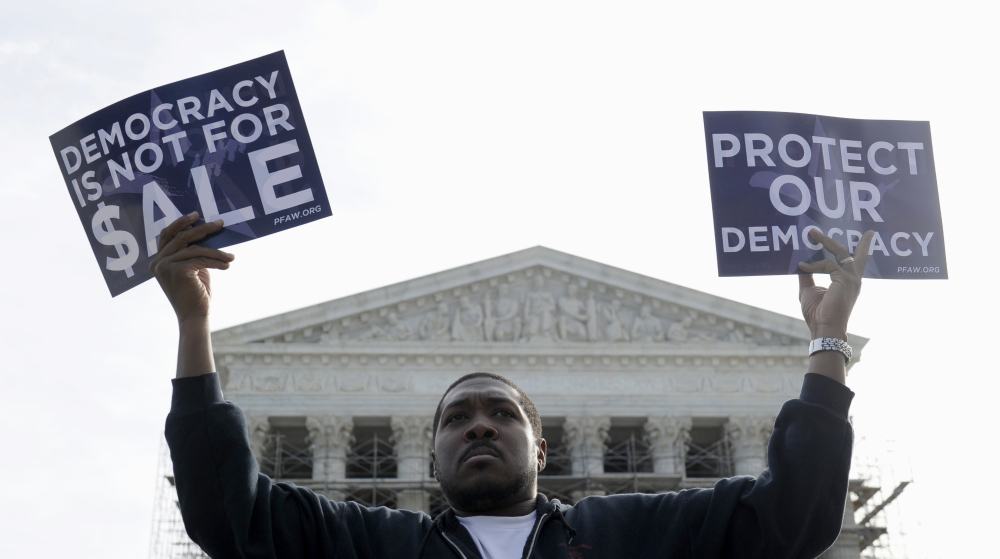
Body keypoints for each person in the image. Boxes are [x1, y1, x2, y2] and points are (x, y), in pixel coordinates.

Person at [153, 211, 872, 559]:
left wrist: (826, 341)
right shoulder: (379, 543)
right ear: (431, 454)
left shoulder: (623, 533)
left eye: (502, 411)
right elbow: (229, 514)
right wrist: (194, 323)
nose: (480, 424)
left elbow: (792, 515)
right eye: (456, 416)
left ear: (542, 446)